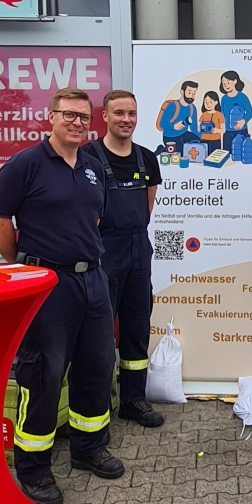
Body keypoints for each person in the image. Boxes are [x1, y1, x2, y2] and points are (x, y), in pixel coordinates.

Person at [0, 87, 123, 504]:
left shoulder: (93, 166)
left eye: (84, 117)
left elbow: (95, 219)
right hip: (47, 285)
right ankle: (33, 468)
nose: (78, 123)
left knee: (97, 366)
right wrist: (28, 265)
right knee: (42, 377)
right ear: (51, 117)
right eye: (69, 115)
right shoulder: (26, 164)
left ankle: (88, 448)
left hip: (92, 281)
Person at [81, 89, 164, 430]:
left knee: (136, 327)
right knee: (98, 334)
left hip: (138, 252)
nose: (126, 119)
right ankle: (96, 405)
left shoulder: (147, 159)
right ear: (105, 116)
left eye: (131, 113)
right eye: (119, 113)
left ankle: (133, 399)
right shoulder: (86, 158)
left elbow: (148, 206)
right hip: (101, 253)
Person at [156, 80, 200, 155]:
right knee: (181, 154)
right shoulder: (173, 106)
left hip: (184, 134)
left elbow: (194, 127)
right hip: (170, 136)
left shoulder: (192, 108)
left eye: (194, 93)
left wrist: (202, 138)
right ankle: (162, 149)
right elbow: (162, 124)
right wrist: (174, 126)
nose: (191, 96)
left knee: (199, 144)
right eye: (189, 92)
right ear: (182, 92)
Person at [218, 70, 252, 154]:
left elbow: (250, 112)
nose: (226, 85)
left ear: (235, 81)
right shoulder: (224, 98)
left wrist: (243, 121)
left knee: (241, 154)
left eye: (228, 82)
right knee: (227, 155)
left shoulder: (242, 97)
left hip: (241, 131)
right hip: (227, 132)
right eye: (223, 83)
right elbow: (222, 113)